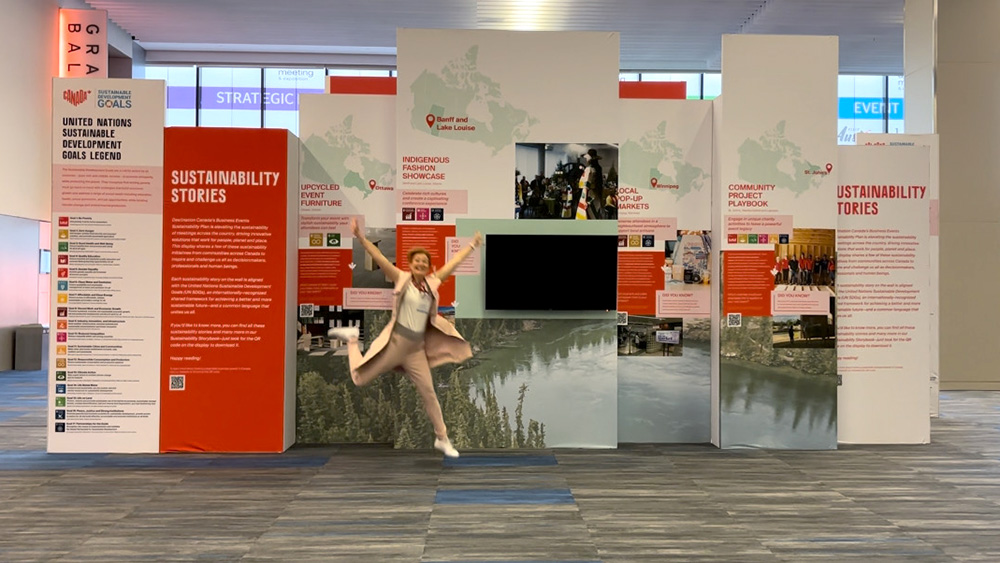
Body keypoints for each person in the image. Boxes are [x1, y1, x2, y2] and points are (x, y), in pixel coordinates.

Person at [327, 218, 483, 458]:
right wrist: (360, 237)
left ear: (429, 267)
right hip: (394, 343)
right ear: (410, 264)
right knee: (359, 378)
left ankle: (442, 438)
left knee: (428, 392)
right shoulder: (400, 278)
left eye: (424, 261)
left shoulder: (432, 282)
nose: (420, 263)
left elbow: (453, 264)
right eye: (416, 260)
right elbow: (377, 256)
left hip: (416, 350)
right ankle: (352, 340)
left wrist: (472, 246)